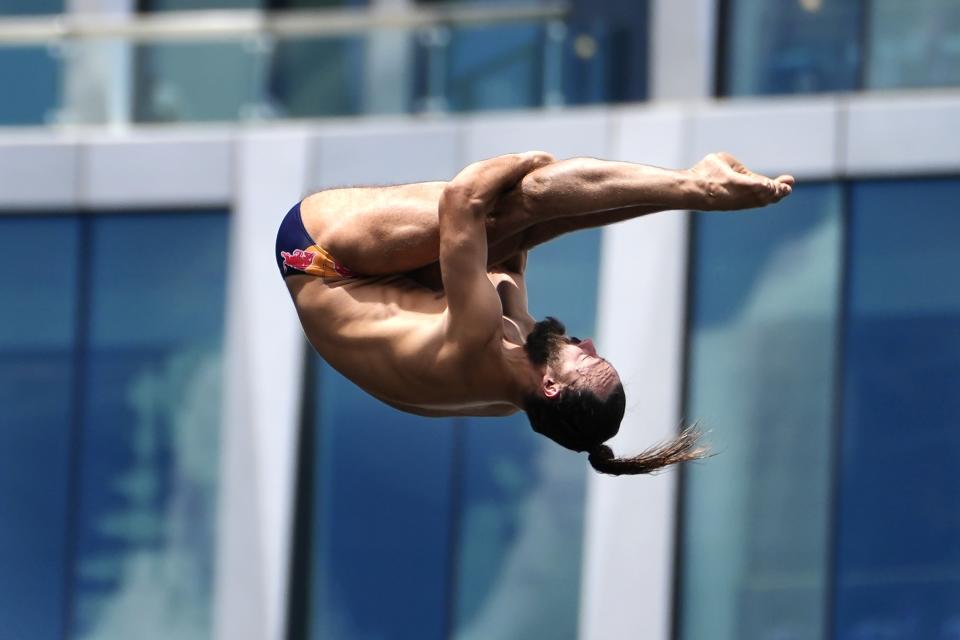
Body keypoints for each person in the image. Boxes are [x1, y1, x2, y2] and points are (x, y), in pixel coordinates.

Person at [276, 152, 793, 475]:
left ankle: (701, 188)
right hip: (381, 292)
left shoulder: (477, 339)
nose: (587, 344)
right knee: (529, 218)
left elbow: (464, 196)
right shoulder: (513, 392)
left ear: (551, 387)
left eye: (586, 360)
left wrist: (525, 162)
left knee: (523, 198)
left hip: (321, 257)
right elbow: (510, 259)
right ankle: (694, 191)